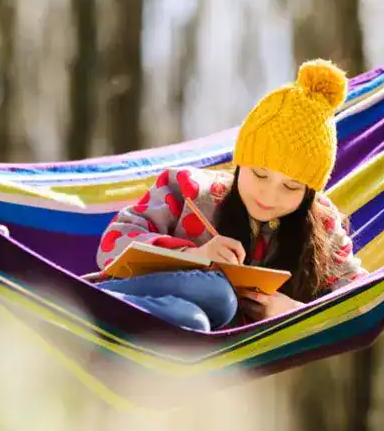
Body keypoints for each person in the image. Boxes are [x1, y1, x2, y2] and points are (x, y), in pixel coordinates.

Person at [94, 59, 368, 331]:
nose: (269, 195)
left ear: (309, 194)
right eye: (259, 175)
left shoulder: (323, 227)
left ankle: (98, 320)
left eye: (291, 187)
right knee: (218, 295)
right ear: (240, 164)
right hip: (134, 291)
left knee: (195, 321)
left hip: (186, 332)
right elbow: (112, 246)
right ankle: (94, 306)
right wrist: (194, 255)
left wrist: (296, 312)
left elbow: (363, 302)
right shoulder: (189, 190)